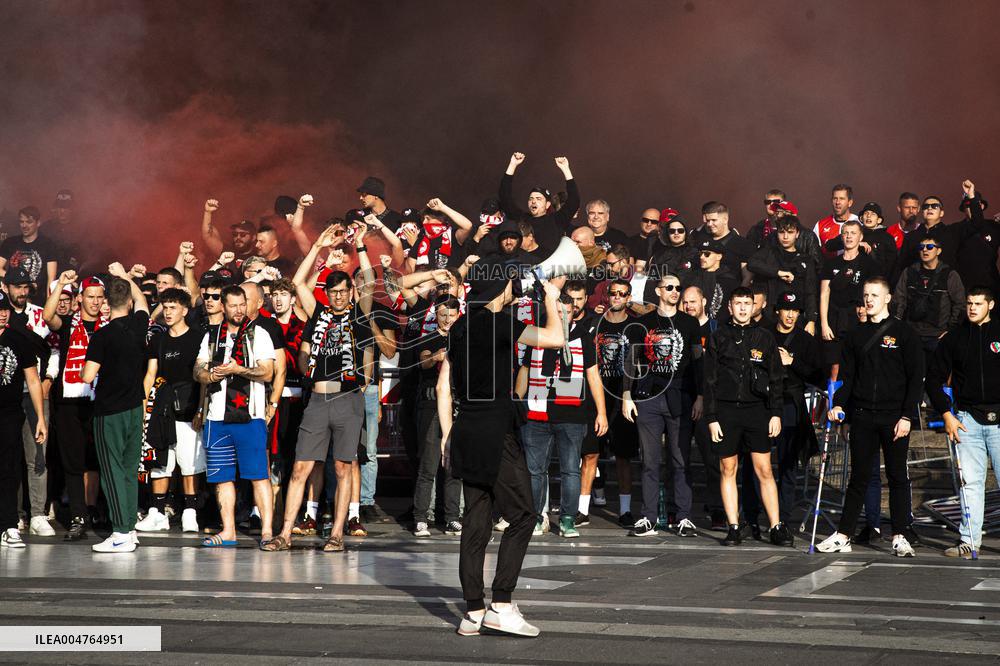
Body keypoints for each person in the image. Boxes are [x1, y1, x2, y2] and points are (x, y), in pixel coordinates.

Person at [437, 255, 565, 637]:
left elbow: (444, 386)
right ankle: (502, 603)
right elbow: (556, 338)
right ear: (498, 289)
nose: (516, 288)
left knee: (477, 521)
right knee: (525, 514)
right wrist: (552, 299)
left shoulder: (457, 329)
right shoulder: (500, 324)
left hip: (466, 428)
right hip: (496, 430)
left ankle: (472, 611)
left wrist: (447, 435)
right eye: (511, 283)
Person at [265, 258, 376, 553]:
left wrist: (362, 246)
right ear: (326, 293)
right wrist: (317, 248)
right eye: (332, 291)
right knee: (301, 466)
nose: (338, 296)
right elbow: (299, 284)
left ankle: (337, 533)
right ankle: (285, 533)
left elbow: (368, 279)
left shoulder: (359, 316)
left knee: (342, 467)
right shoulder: (317, 314)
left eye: (342, 291)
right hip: (316, 399)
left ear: (351, 291)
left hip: (347, 399)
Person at [819, 277, 924, 557]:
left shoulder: (904, 333)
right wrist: (840, 405)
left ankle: (900, 534)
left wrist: (907, 416)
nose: (869, 300)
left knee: (897, 475)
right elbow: (848, 376)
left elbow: (915, 379)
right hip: (864, 414)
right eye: (866, 295)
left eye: (875, 295)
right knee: (859, 476)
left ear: (887, 298)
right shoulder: (855, 335)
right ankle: (844, 534)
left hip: (894, 417)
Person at [703, 287, 791, 547]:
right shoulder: (718, 337)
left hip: (757, 410)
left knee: (764, 469)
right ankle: (733, 526)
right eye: (737, 303)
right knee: (727, 468)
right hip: (726, 411)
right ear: (729, 307)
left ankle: (776, 526)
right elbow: (709, 381)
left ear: (754, 307)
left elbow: (776, 379)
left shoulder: (765, 337)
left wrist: (775, 413)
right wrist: (711, 417)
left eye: (747, 303)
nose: (742, 308)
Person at [518, 281, 607, 538]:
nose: (561, 317)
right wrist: (516, 399)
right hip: (536, 411)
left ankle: (567, 518)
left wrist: (601, 412)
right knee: (535, 470)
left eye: (566, 313)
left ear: (573, 313)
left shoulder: (583, 339)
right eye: (557, 312)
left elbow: (593, 377)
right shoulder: (536, 336)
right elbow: (524, 370)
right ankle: (536, 517)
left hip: (572, 413)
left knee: (570, 469)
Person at [194, 285, 276, 548]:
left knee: (258, 475)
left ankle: (266, 532)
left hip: (250, 417)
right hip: (217, 418)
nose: (239, 310)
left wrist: (239, 369)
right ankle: (228, 530)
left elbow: (268, 372)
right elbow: (198, 370)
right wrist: (211, 375)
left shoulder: (258, 333)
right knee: (221, 477)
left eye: (243, 304)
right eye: (233, 305)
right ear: (223, 307)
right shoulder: (212, 335)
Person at [623, 274, 703, 537]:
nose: (675, 291)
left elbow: (698, 362)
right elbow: (630, 360)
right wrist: (626, 395)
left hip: (681, 396)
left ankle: (683, 517)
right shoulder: (642, 323)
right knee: (650, 461)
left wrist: (700, 396)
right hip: (649, 396)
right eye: (669, 287)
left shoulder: (690, 323)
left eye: (678, 287)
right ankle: (648, 517)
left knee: (680, 460)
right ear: (657, 291)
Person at [926, 287, 1000, 558]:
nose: (972, 308)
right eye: (969, 303)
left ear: (990, 305)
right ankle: (969, 539)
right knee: (970, 483)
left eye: (978, 303)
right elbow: (933, 378)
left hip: (998, 419)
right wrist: (947, 414)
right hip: (967, 418)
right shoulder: (954, 338)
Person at [80, 264, 150, 552]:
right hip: (135, 409)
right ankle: (129, 528)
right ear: (129, 303)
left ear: (106, 304)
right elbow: (144, 303)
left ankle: (120, 533)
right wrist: (128, 278)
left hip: (110, 412)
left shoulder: (102, 335)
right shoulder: (138, 325)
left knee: (111, 471)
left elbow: (86, 375)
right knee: (129, 470)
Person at [742, 292, 818, 535]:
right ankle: (751, 517)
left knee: (788, 464)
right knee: (754, 462)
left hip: (790, 404)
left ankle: (781, 519)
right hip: (762, 403)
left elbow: (817, 374)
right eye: (786, 309)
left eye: (795, 310)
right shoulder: (763, 333)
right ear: (777, 311)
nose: (790, 315)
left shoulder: (806, 340)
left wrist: (792, 361)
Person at [43, 270, 107, 540]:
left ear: (104, 300)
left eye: (98, 297)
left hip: (101, 400)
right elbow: (47, 317)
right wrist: (62, 285)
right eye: (89, 296)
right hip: (70, 401)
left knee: (100, 460)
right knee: (73, 461)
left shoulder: (111, 325)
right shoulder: (70, 324)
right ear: (80, 298)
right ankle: (78, 517)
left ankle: (99, 511)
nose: (94, 302)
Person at [136, 288, 205, 533]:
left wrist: (201, 410)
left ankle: (190, 512)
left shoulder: (198, 338)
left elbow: (204, 378)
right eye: (165, 307)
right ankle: (156, 513)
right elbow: (151, 374)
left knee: (190, 464)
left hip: (189, 408)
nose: (167, 312)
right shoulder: (158, 339)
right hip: (162, 409)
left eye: (173, 307)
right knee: (160, 463)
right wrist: (145, 409)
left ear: (185, 310)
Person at [3, 268, 58, 536]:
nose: (22, 292)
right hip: (9, 395)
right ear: (6, 287)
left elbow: (54, 350)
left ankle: (38, 513)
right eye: (16, 287)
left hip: (37, 391)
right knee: (9, 455)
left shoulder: (40, 313)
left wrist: (48, 378)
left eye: (25, 286)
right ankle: (15, 515)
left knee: (37, 454)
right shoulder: (2, 314)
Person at [411, 298, 463, 537]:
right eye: (443, 315)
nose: (447, 320)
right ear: (436, 315)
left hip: (458, 406)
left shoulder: (463, 338)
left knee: (454, 465)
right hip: (431, 406)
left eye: (451, 315)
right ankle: (421, 516)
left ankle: (452, 517)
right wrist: (435, 357)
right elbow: (423, 361)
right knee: (429, 464)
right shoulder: (428, 338)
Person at [593, 278, 643, 526]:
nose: (617, 298)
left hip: (624, 396)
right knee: (591, 452)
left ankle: (624, 510)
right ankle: (592, 498)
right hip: (596, 394)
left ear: (628, 297)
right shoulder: (597, 324)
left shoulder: (635, 326)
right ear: (607, 296)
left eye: (622, 294)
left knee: (623, 456)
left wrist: (629, 395)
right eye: (613, 293)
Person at [0, 291, 48, 549]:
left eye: (4, 309)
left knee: (9, 468)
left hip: (9, 412)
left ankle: (8, 525)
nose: (3, 314)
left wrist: (40, 417)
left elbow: (32, 379)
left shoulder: (18, 338)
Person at [682, 285, 724, 528]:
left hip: (708, 402)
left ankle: (717, 507)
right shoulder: (679, 325)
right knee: (679, 459)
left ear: (704, 301)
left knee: (712, 459)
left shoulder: (715, 328)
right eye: (685, 302)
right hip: (683, 399)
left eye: (693, 301)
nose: (689, 306)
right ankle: (681, 508)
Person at [892, 232, 965, 368]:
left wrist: (950, 331)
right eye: (922, 247)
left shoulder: (949, 274)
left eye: (930, 246)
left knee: (936, 377)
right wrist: (898, 327)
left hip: (938, 336)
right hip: (912, 334)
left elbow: (960, 305)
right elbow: (898, 301)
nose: (925, 250)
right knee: (912, 375)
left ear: (939, 251)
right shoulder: (909, 272)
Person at [819, 220, 882, 371]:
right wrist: (824, 324)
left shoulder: (868, 264)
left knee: (859, 363)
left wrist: (867, 315)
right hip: (834, 318)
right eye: (845, 233)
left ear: (861, 237)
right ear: (841, 237)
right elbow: (824, 294)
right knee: (834, 367)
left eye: (853, 233)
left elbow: (875, 293)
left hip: (858, 319)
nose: (849, 236)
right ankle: (833, 394)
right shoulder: (831, 263)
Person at [747, 216, 819, 333]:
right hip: (770, 315)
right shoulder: (769, 252)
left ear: (797, 234)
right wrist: (778, 273)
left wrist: (811, 320)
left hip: (795, 317)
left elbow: (810, 291)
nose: (785, 237)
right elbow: (752, 263)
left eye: (790, 232)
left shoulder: (806, 259)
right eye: (781, 232)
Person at [498, 152, 579, 254]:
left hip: (550, 267)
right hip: (524, 266)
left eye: (539, 199)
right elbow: (505, 197)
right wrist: (512, 165)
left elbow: (574, 201)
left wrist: (566, 169)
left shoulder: (556, 220)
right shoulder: (522, 219)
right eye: (531, 198)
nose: (533, 201)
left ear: (548, 205)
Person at [0, 206, 59, 305]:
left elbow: (51, 279)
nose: (24, 225)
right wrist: (15, 278)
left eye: (29, 222)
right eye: (21, 222)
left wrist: (49, 305)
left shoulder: (48, 245)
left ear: (38, 223)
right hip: (13, 300)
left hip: (38, 301)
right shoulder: (10, 243)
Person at [691, 202, 753, 283]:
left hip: (731, 291)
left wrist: (738, 294)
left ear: (725, 219)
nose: (710, 224)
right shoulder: (700, 242)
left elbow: (747, 277)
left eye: (714, 220)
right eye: (708, 220)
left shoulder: (743, 244)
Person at [684, 239, 740, 322]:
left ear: (719, 256)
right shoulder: (692, 277)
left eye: (707, 254)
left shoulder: (729, 280)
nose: (702, 257)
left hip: (721, 327)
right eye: (700, 253)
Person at [200, 200, 258, 272]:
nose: (238, 237)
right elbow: (208, 236)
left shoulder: (258, 256)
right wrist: (208, 212)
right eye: (235, 234)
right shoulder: (227, 252)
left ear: (253, 237)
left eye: (243, 234)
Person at [813, 184, 859, 258]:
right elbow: (814, 255)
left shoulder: (859, 223)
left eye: (842, 198)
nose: (837, 202)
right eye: (835, 198)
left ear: (850, 203)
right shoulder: (820, 225)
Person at [630, 207, 663, 272]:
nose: (649, 224)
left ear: (659, 224)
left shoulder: (663, 243)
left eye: (653, 222)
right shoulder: (630, 241)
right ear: (641, 221)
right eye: (645, 220)